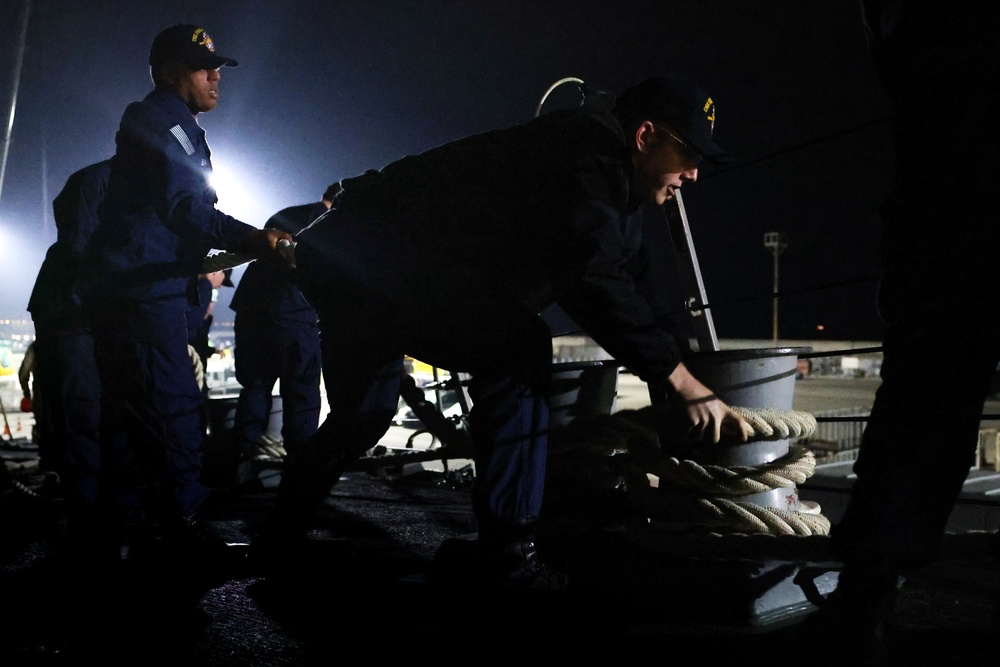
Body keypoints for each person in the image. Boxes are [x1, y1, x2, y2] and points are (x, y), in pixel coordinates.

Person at [251, 73, 754, 589]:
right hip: (363, 261)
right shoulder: (581, 158)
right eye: (689, 154)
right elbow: (591, 280)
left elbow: (631, 289)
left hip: (381, 267)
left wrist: (677, 377)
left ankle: (277, 537)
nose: (694, 174)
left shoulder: (614, 187)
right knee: (516, 349)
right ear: (646, 136)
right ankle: (506, 559)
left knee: (365, 414)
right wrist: (686, 386)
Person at [801, 0, 1000, 655]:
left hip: (939, 208)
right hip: (943, 203)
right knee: (925, 396)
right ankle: (865, 593)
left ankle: (865, 593)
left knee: (923, 398)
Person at [80, 24, 292, 558]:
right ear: (173, 73)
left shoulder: (174, 126)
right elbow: (186, 207)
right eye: (205, 67)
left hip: (142, 292)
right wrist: (254, 238)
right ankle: (185, 533)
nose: (217, 77)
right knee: (171, 409)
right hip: (145, 295)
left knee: (135, 420)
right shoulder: (160, 120)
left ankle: (123, 533)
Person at [24, 159, 111, 520]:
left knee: (79, 422)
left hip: (68, 330)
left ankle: (88, 510)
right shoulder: (82, 259)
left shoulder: (59, 259)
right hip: (76, 331)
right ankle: (90, 514)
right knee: (86, 419)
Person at [230, 185, 336, 464]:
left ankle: (241, 458)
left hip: (251, 310)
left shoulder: (285, 215)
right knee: (301, 391)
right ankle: (300, 467)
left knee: (254, 386)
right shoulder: (327, 222)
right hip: (293, 314)